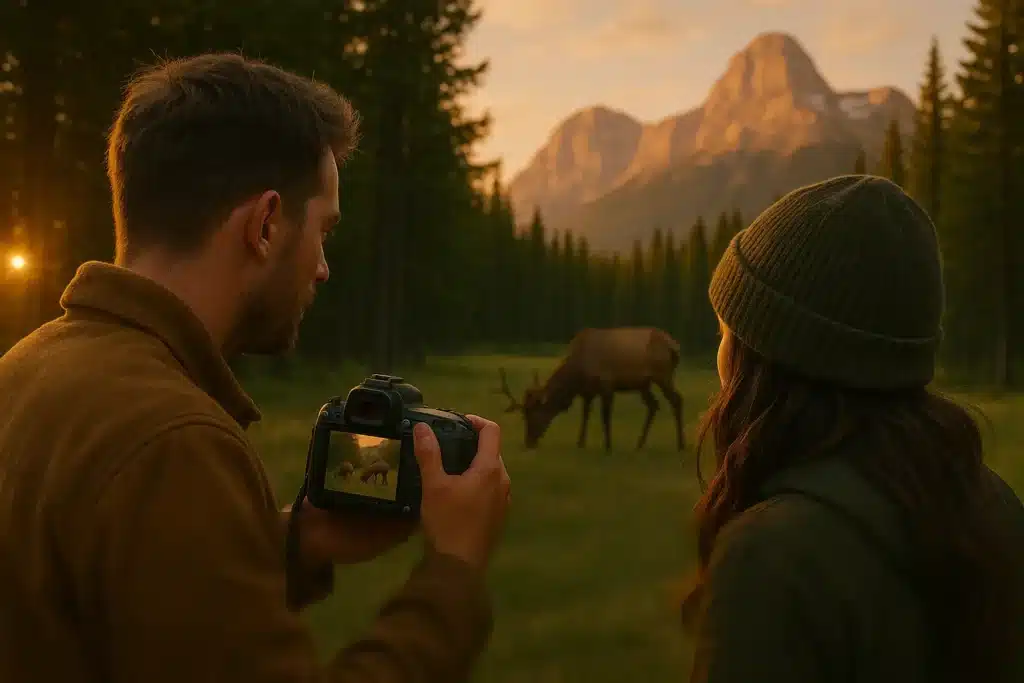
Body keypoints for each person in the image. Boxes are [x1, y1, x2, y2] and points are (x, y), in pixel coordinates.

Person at [0, 53, 511, 682]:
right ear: (266, 224)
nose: (323, 266)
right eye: (323, 231)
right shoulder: (176, 440)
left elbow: (113, 597)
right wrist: (453, 572)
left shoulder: (28, 364)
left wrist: (297, 544)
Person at [683, 175, 1024, 682]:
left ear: (766, 355)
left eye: (726, 331)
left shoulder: (772, 561)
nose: (719, 354)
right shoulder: (996, 508)